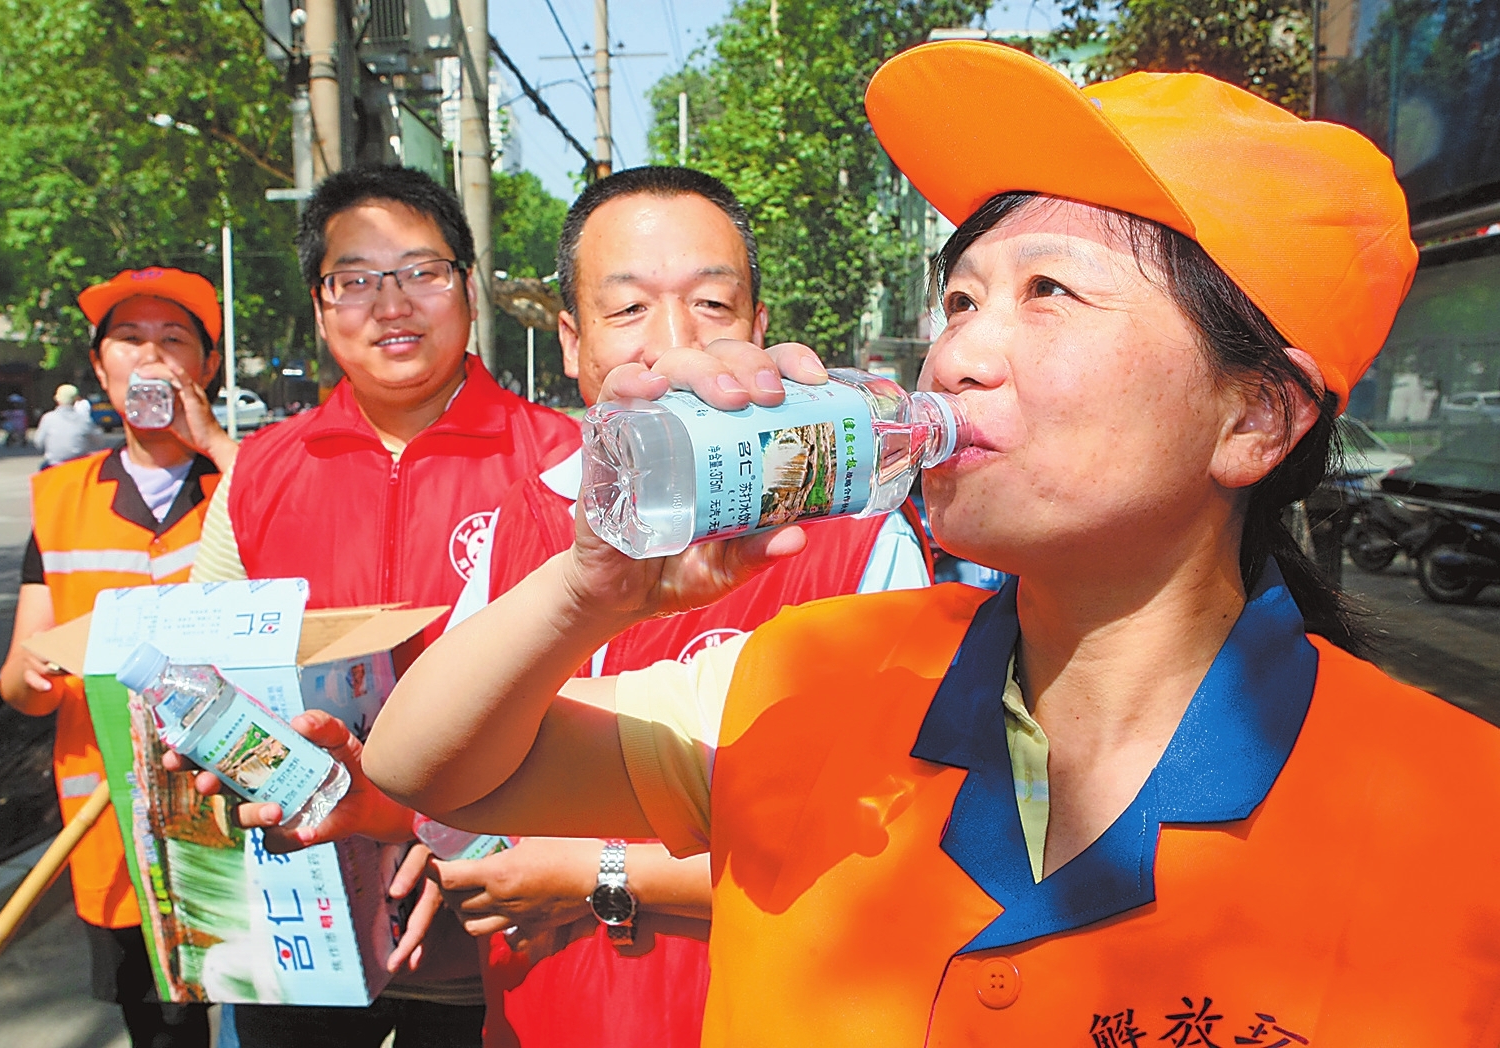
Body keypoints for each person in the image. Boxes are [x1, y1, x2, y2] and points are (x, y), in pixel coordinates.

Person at [363, 42, 1500, 1045]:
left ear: (1253, 418)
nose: (954, 358)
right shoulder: (812, 673)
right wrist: (596, 587)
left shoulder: (1455, 823)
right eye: (960, 301)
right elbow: (430, 770)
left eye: (1048, 292)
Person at [436, 165, 929, 1048]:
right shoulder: (523, 521)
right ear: (570, 339)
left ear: (758, 329)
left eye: (710, 304)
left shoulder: (856, 535)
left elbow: (899, 847)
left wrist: (598, 872)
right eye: (627, 309)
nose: (671, 342)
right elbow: (443, 787)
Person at [185, 164, 578, 1048]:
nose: (391, 304)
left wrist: (452, 824)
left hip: (503, 936)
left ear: (467, 287)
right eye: (355, 279)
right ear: (320, 307)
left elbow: (605, 692)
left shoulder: (565, 463)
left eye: (421, 272)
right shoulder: (259, 473)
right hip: (307, 933)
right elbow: (208, 673)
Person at [0, 265, 237, 1048]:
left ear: (207, 366)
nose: (151, 354)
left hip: (238, 813)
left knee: (271, 1020)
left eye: (174, 339)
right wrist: (32, 676)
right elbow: (19, 684)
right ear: (101, 369)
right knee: (161, 1032)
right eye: (129, 339)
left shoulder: (242, 478)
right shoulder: (59, 498)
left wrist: (213, 442)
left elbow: (292, 538)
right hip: (116, 830)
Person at [33, 382, 105, 467]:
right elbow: (99, 441)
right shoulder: (84, 420)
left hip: (54, 464)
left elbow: (38, 442)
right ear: (75, 400)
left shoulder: (48, 418)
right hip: (78, 464)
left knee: (43, 467)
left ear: (57, 400)